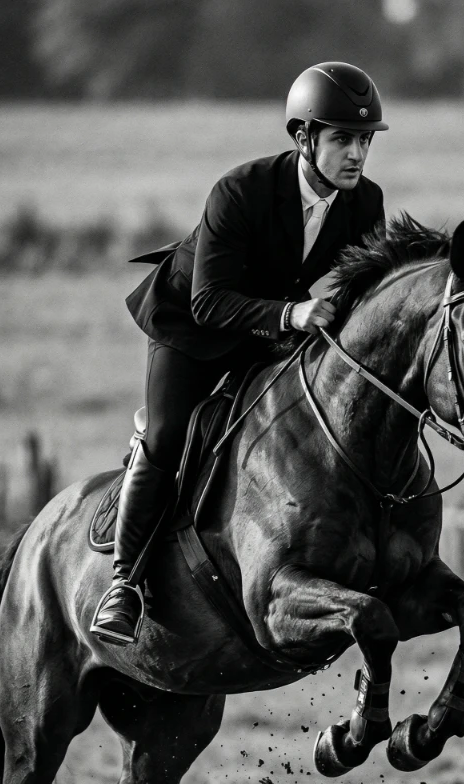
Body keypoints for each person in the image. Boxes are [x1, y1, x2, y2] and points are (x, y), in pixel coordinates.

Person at [91, 61, 388, 645]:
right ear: (304, 138)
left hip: (267, 329)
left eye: (364, 140)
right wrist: (292, 314)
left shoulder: (364, 203)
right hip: (192, 327)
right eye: (342, 139)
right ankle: (124, 583)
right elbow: (209, 302)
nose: (356, 154)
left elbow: (368, 292)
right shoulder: (240, 190)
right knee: (170, 435)